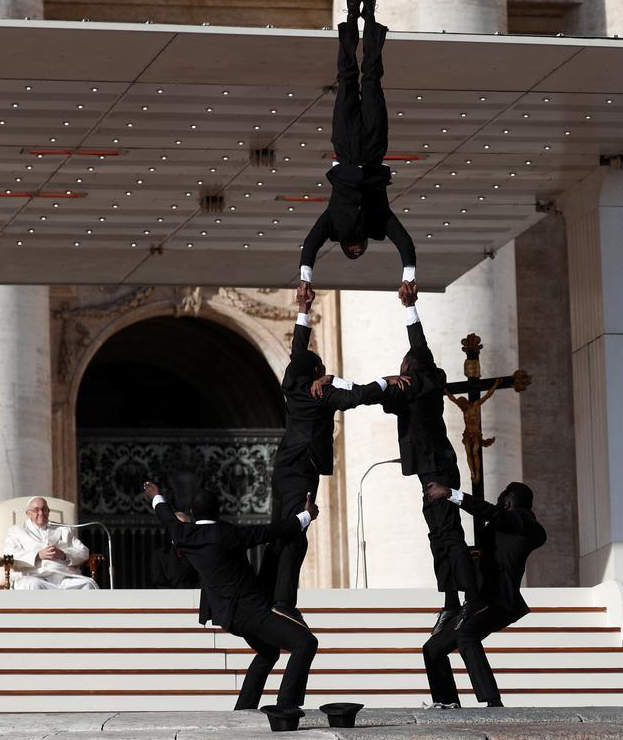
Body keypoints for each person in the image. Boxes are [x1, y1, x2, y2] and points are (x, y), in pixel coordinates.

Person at [261, 284, 404, 622]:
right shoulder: (320, 395)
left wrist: (302, 311)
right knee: (296, 534)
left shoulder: (292, 386)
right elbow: (359, 396)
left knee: (282, 531)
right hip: (303, 471)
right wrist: (385, 380)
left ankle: (265, 591)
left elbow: (298, 351)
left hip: (283, 470)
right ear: (316, 376)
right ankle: (282, 602)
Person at [143, 480, 319, 713]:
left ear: (194, 514)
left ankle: (244, 709)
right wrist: (306, 515)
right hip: (252, 611)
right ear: (219, 512)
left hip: (229, 617)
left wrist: (157, 496)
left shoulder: (184, 534)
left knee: (269, 652)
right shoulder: (226, 533)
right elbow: (271, 531)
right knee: (306, 642)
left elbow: (166, 517)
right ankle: (286, 706)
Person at [297, 0, 415, 303]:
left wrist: (305, 279)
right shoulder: (379, 222)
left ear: (345, 243)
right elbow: (406, 244)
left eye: (352, 251)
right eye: (360, 251)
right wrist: (409, 277)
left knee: (347, 79)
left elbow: (310, 244)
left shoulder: (333, 223)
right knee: (372, 80)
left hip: (346, 149)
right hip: (375, 148)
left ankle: (351, 18)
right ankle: (371, 18)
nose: (357, 249)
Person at [379, 283, 478, 633]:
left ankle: (471, 600)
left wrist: (412, 309)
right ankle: (451, 602)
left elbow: (418, 350)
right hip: (430, 470)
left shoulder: (423, 382)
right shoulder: (420, 385)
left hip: (438, 469)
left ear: (410, 368)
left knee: (448, 535)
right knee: (438, 536)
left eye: (402, 366)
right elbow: (381, 395)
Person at [421, 480, 547, 708]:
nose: (497, 505)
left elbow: (490, 512)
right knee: (433, 649)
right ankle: (446, 702)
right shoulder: (502, 528)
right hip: (479, 599)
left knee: (466, 634)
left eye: (501, 500)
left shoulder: (523, 521)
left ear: (508, 503)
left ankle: (493, 702)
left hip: (498, 600)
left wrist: (450, 493)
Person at [2, 496, 98, 590]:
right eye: (36, 510)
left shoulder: (63, 529)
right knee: (32, 585)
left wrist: (64, 555)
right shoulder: (16, 531)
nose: (41, 513)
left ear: (48, 512)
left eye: (44, 509)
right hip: (34, 576)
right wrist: (38, 555)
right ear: (28, 513)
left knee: (88, 584)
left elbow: (83, 552)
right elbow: (9, 555)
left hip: (64, 577)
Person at [150, 509, 200, 589]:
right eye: (176, 525)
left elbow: (202, 579)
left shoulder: (197, 553)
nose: (180, 529)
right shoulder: (160, 555)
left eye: (183, 526)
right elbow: (158, 582)